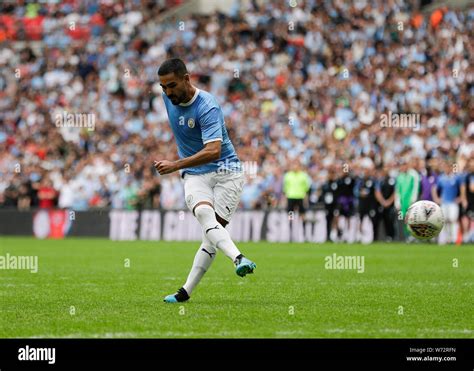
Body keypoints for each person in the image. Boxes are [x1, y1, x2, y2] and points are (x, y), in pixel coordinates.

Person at [154, 58, 256, 303]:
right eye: (163, 87)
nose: (168, 92)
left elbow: (213, 151)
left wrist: (175, 164)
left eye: (172, 85)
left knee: (211, 235)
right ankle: (239, 258)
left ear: (187, 79)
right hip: (196, 174)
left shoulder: (207, 105)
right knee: (204, 216)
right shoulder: (169, 98)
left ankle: (185, 292)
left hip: (226, 173)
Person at [432, 160, 463, 244]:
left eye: (449, 167)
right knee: (443, 221)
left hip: (453, 202)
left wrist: (461, 198)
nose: (447, 168)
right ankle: (443, 240)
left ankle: (454, 239)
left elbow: (462, 187)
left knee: (453, 219)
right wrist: (436, 198)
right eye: (445, 167)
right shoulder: (441, 178)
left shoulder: (456, 177)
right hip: (444, 202)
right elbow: (434, 188)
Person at [283, 159, 312, 241]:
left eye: (296, 165)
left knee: (302, 216)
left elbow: (307, 189)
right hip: (291, 197)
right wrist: (285, 200)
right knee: (290, 216)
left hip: (300, 197)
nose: (295, 167)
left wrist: (306, 200)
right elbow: (285, 189)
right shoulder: (288, 175)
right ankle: (291, 235)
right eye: (293, 165)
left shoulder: (304, 175)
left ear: (299, 166)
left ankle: (304, 234)